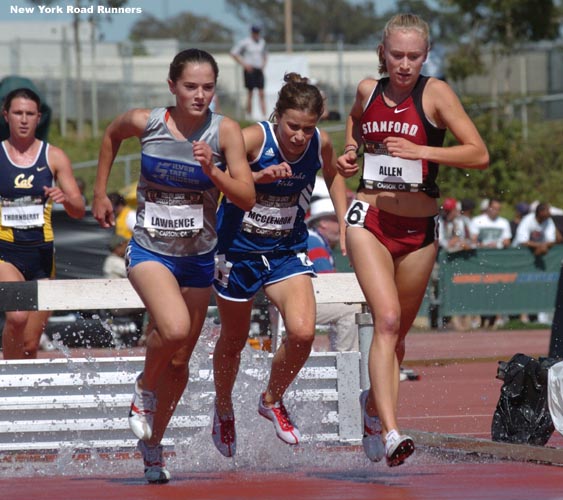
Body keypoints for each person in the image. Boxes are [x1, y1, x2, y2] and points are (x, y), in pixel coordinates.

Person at [91, 48, 255, 484]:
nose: (199, 95)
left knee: (180, 361)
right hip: (149, 249)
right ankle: (145, 387)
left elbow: (246, 196)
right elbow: (110, 135)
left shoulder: (226, 132)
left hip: (198, 258)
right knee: (176, 328)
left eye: (207, 87)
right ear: (172, 86)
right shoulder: (146, 122)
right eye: (190, 87)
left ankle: (153, 443)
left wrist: (213, 171)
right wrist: (100, 193)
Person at [336, 13, 489, 467]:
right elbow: (353, 124)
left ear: (426, 55)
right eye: (397, 55)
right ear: (383, 53)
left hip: (420, 231)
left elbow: (477, 154)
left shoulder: (436, 93)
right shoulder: (369, 90)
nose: (404, 65)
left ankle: (370, 406)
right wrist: (349, 155)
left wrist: (423, 150)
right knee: (384, 321)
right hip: (371, 218)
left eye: (414, 56)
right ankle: (390, 431)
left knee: (398, 335)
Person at [211, 73, 348, 458]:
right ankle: (223, 407)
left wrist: (345, 220)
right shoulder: (253, 138)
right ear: (277, 117)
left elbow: (334, 173)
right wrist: (256, 177)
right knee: (234, 340)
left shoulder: (320, 142)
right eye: (293, 126)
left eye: (308, 128)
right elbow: (210, 178)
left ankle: (272, 399)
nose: (300, 136)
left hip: (286, 249)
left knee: (303, 333)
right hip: (237, 252)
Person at [0, 87, 85, 360]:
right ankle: (7, 384)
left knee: (30, 344)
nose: (23, 119)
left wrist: (65, 199)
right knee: (16, 316)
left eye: (29, 114)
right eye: (17, 113)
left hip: (41, 255)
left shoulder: (54, 156)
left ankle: (21, 396)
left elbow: (78, 209)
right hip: (5, 252)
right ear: (6, 116)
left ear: (39, 117)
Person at [306, 196, 359, 351]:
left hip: (301, 300)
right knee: (354, 311)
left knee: (352, 307)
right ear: (323, 222)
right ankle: (346, 362)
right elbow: (328, 280)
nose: (342, 226)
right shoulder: (314, 241)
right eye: (337, 221)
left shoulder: (313, 239)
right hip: (303, 302)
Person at [230, 25, 268, 119]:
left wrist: (263, 64)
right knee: (250, 93)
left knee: (261, 93)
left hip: (259, 70)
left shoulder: (262, 42)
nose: (256, 35)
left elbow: (265, 54)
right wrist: (244, 64)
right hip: (250, 70)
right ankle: (249, 116)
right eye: (255, 32)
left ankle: (265, 116)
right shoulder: (245, 42)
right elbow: (233, 53)